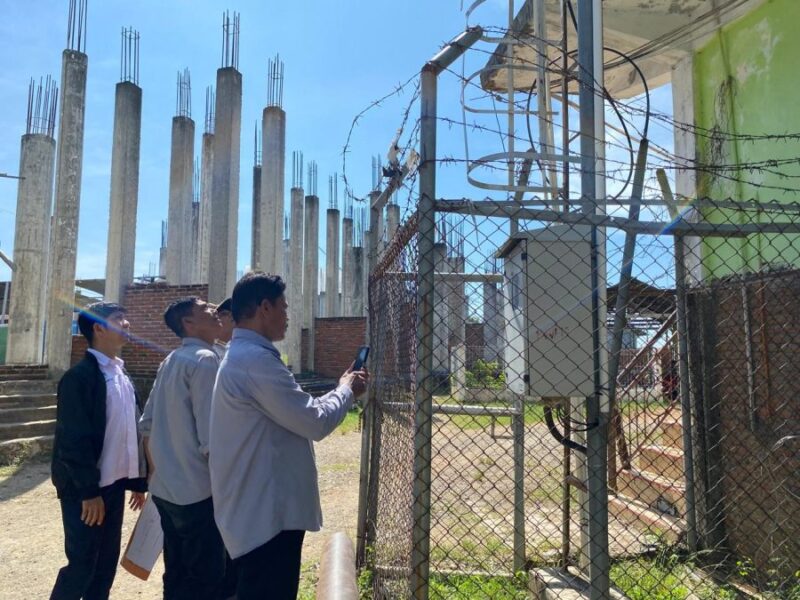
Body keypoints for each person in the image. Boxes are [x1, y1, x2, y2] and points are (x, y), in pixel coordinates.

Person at [209, 272, 368, 600]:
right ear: (264, 308)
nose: (288, 316)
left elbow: (299, 411)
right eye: (283, 307)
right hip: (266, 522)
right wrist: (348, 390)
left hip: (257, 514)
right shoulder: (255, 361)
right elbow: (314, 422)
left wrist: (340, 390)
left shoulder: (245, 358)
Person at [50, 302, 147, 600]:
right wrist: (88, 491)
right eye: (120, 319)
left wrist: (137, 483)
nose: (127, 324)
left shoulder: (121, 375)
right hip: (87, 490)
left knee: (105, 565)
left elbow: (129, 430)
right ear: (98, 328)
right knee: (82, 565)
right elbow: (73, 440)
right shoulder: (79, 378)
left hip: (114, 487)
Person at [139, 297, 226, 600]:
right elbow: (212, 438)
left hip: (166, 491)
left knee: (176, 571)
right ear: (188, 323)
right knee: (207, 577)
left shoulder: (170, 360)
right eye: (206, 309)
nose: (216, 311)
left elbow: (146, 425)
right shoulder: (206, 359)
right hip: (199, 493)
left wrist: (155, 473)